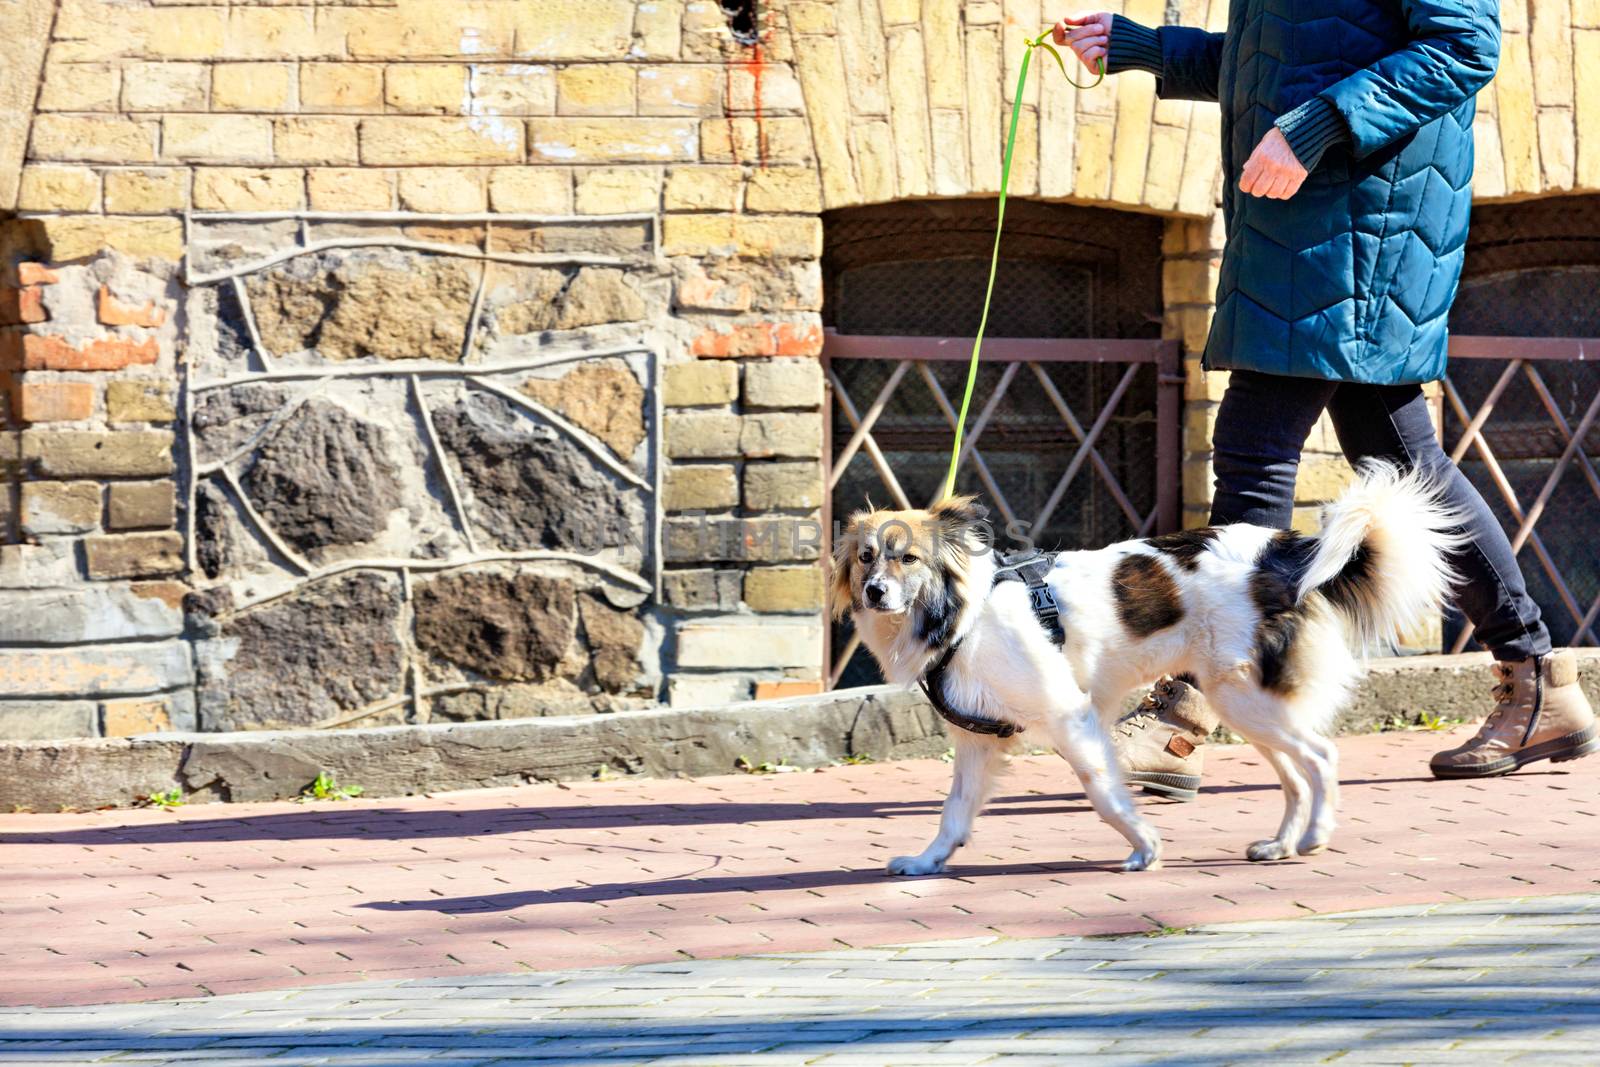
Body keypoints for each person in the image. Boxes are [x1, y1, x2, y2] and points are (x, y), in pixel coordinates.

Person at [1053, 2, 1596, 797]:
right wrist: (1142, 47)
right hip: (1317, 220)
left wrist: (1313, 130)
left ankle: (1189, 714)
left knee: (1255, 449)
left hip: (1358, 215)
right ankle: (1538, 678)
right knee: (1403, 460)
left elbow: (1463, 43)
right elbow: (1278, 60)